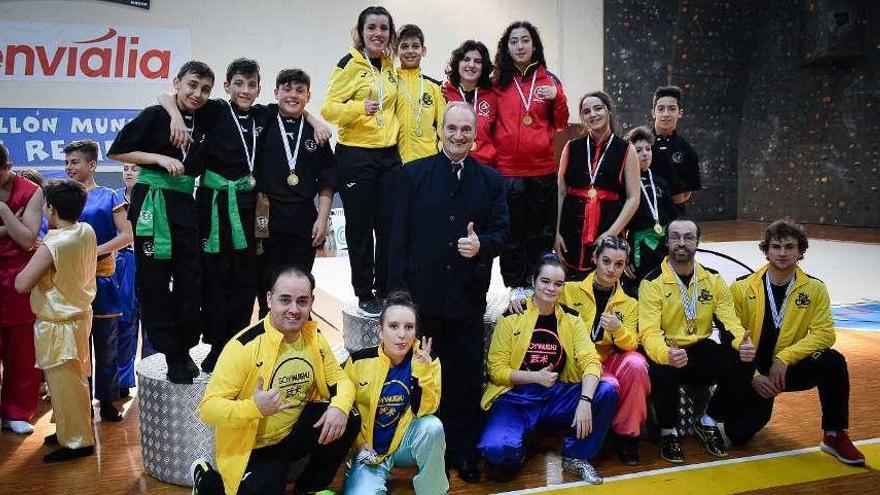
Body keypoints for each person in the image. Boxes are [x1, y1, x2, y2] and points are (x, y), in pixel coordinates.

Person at [388, 102, 508, 483]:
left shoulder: (491, 181)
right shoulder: (413, 175)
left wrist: (482, 245)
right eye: (452, 128)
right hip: (421, 303)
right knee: (423, 379)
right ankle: (426, 452)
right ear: (440, 130)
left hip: (466, 300)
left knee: (463, 378)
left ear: (475, 135)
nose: (458, 136)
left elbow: (502, 234)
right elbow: (397, 240)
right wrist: (398, 299)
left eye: (466, 130)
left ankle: (463, 451)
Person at [192, 265, 359, 495]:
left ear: (312, 301)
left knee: (349, 417)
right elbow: (207, 409)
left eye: (302, 301)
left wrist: (339, 407)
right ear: (269, 299)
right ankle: (206, 479)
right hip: (255, 447)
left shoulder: (313, 337)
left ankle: (310, 488)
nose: (294, 309)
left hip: (294, 433)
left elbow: (341, 379)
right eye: (285, 300)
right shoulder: (242, 347)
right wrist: (254, 407)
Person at [715, 220, 865, 465]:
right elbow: (729, 337)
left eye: (789, 246)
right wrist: (751, 376)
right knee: (737, 434)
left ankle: (834, 434)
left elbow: (825, 334)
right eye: (776, 246)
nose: (782, 253)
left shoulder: (814, 288)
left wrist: (786, 358)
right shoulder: (742, 287)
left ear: (800, 250)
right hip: (752, 372)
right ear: (766, 250)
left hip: (786, 369)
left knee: (832, 360)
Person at [108, 60, 215, 383]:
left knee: (190, 278)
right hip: (152, 201)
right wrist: (158, 157)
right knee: (155, 280)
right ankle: (171, 354)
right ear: (177, 83)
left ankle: (184, 346)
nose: (197, 94)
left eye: (205, 89)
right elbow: (118, 151)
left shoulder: (207, 117)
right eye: (192, 85)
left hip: (185, 202)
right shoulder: (155, 116)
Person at [510, 237, 649, 465]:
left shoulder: (630, 303)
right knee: (609, 384)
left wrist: (619, 330)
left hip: (608, 360)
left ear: (625, 267)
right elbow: (545, 296)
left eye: (619, 264)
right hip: (577, 362)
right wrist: (519, 301)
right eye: (606, 261)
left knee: (636, 363)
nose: (611, 269)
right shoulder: (571, 290)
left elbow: (632, 344)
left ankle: (626, 436)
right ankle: (595, 432)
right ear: (594, 259)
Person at [480, 255, 617, 484]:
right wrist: (534, 376)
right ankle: (523, 446)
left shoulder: (572, 319)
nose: (551, 288)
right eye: (545, 281)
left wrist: (585, 399)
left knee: (606, 390)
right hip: (515, 398)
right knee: (497, 451)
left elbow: (591, 360)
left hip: (556, 394)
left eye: (558, 284)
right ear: (533, 281)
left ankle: (576, 455)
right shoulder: (511, 316)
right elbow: (496, 370)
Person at [638, 217, 754, 463]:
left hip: (700, 349)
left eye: (689, 237)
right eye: (676, 237)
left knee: (743, 361)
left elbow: (729, 321)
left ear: (697, 242)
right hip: (667, 349)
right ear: (667, 242)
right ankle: (668, 430)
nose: (682, 243)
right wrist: (665, 353)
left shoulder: (713, 279)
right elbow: (648, 332)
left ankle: (709, 419)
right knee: (662, 370)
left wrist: (739, 343)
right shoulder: (651, 282)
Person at [322, 6, 401, 317]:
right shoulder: (349, 65)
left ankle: (385, 287)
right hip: (356, 154)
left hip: (389, 156)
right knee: (360, 227)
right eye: (372, 28)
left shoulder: (389, 66)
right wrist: (357, 108)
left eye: (383, 28)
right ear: (361, 32)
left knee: (388, 227)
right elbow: (329, 108)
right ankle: (363, 290)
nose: (377, 33)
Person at [14, 179, 96, 462]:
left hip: (58, 322)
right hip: (79, 316)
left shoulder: (53, 245)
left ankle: (79, 441)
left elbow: (21, 284)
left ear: (50, 208)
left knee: (66, 385)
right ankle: (67, 430)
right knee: (72, 382)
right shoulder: (85, 230)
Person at [344, 291, 447, 494]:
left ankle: (433, 491)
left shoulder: (428, 360)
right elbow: (346, 410)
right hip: (369, 450)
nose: (402, 334)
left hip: (404, 444)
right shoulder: (358, 361)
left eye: (409, 327)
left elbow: (426, 410)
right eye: (393, 326)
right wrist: (358, 445)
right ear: (380, 331)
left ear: (416, 332)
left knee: (433, 427)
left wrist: (422, 373)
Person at [492, 21, 569, 290]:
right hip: (507, 172)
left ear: (534, 45)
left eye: (525, 40)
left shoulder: (550, 81)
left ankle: (539, 283)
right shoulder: (497, 81)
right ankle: (514, 287)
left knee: (539, 234)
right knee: (511, 234)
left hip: (541, 171)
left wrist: (557, 97)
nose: (520, 46)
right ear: (506, 47)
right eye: (514, 41)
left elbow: (560, 123)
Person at [254, 69, 337, 318]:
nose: (293, 95)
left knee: (302, 279)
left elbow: (327, 181)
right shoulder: (264, 118)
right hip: (266, 215)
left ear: (308, 96)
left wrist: (322, 218)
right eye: (287, 89)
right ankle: (266, 336)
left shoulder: (317, 135)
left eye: (300, 91)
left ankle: (301, 336)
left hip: (303, 214)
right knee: (266, 281)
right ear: (275, 92)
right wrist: (313, 118)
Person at [64, 140, 133, 422]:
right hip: (69, 285)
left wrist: (93, 251)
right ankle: (77, 405)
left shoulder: (109, 197)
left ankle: (107, 402)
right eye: (67, 163)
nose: (69, 167)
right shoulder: (59, 196)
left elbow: (126, 236)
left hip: (102, 281)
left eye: (75, 162)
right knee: (75, 350)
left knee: (107, 346)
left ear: (92, 165)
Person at [556, 91, 639, 277]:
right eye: (587, 111)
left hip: (609, 227)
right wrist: (556, 232)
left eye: (598, 108)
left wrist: (611, 233)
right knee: (572, 287)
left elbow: (634, 198)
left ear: (609, 110)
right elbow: (561, 192)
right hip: (570, 228)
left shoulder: (627, 149)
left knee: (603, 282)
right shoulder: (571, 147)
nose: (593, 114)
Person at [0, 143, 43, 435]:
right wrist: (11, 226)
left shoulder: (31, 190)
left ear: (7, 168)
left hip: (19, 277)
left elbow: (28, 239)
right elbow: (19, 231)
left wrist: (3, 209)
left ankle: (17, 411)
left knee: (22, 350)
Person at [623, 126, 678, 292]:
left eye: (648, 149)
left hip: (663, 248)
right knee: (640, 290)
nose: (645, 153)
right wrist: (624, 257)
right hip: (639, 251)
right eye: (638, 150)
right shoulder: (624, 184)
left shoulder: (660, 183)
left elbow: (674, 217)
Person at [114, 162, 151, 400]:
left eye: (134, 169)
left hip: (151, 263)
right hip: (122, 265)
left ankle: (149, 378)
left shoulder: (155, 197)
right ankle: (122, 381)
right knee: (124, 325)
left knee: (151, 325)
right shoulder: (113, 199)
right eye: (125, 168)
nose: (128, 172)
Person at [394, 24, 445, 164]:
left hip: (428, 163)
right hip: (394, 164)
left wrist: (440, 158)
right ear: (396, 51)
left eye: (415, 46)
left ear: (423, 50)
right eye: (404, 46)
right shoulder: (389, 84)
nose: (410, 51)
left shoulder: (435, 87)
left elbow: (443, 128)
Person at [441, 39, 497, 166]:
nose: (471, 65)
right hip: (452, 166)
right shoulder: (444, 93)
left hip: (485, 167)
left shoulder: (493, 96)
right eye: (466, 60)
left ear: (484, 67)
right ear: (457, 63)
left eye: (477, 61)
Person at [649, 86, 700, 213]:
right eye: (661, 109)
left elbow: (687, 193)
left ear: (680, 113)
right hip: (642, 216)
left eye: (672, 109)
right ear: (653, 113)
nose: (666, 114)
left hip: (675, 216)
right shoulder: (637, 144)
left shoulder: (687, 150)